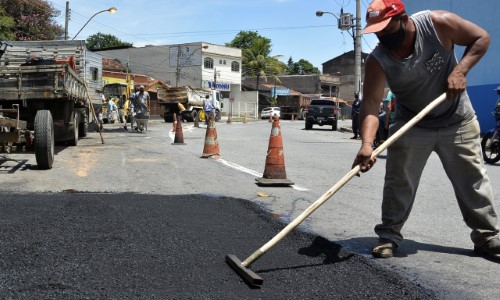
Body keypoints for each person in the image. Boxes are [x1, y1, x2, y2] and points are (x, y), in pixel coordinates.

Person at [352, 0, 500, 258]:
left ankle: (487, 237)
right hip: (412, 124)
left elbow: (481, 38)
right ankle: (388, 235)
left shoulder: (438, 24)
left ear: (403, 18)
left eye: (387, 28)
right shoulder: (378, 59)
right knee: (398, 183)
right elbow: (372, 105)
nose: (383, 36)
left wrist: (460, 70)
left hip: (457, 120)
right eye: (377, 31)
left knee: (473, 182)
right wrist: (367, 144)